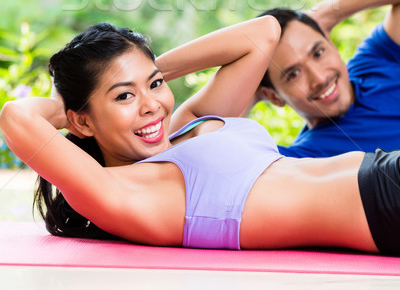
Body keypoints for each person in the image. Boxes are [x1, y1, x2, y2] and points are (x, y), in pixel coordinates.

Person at [0, 16, 399, 255]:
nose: (151, 105)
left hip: (385, 169)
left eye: (155, 85)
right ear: (81, 122)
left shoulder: (188, 126)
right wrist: (74, 101)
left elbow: (263, 33)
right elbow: (16, 117)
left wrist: (140, 69)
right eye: (124, 96)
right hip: (382, 206)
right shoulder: (117, 192)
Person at [256, 0, 400, 157]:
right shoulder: (303, 160)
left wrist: (325, 15)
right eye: (294, 74)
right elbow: (206, 143)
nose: (320, 78)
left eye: (318, 53)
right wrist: (251, 87)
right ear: (273, 96)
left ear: (331, 43)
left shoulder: (376, 60)